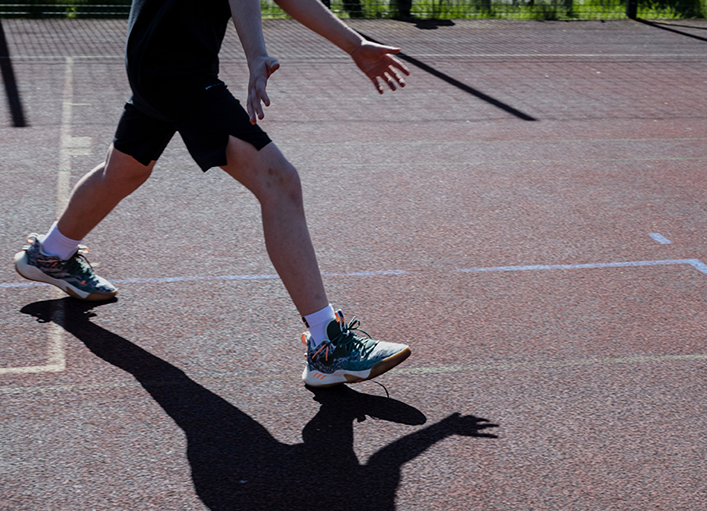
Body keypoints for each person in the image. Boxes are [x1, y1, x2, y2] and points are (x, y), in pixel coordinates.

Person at [13, 0, 412, 389]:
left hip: (157, 57)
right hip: (176, 66)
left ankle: (51, 253)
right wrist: (257, 55)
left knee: (124, 172)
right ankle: (328, 346)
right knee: (279, 182)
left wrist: (354, 45)